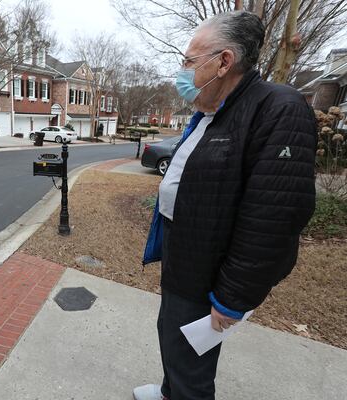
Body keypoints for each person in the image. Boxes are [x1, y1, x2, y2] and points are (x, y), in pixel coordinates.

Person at [135, 11, 316, 400]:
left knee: (193, 363)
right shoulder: (211, 113)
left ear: (224, 62)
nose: (182, 72)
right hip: (183, 256)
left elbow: (274, 217)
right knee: (172, 335)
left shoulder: (277, 108)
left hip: (209, 273)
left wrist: (233, 297)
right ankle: (170, 391)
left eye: (189, 61)